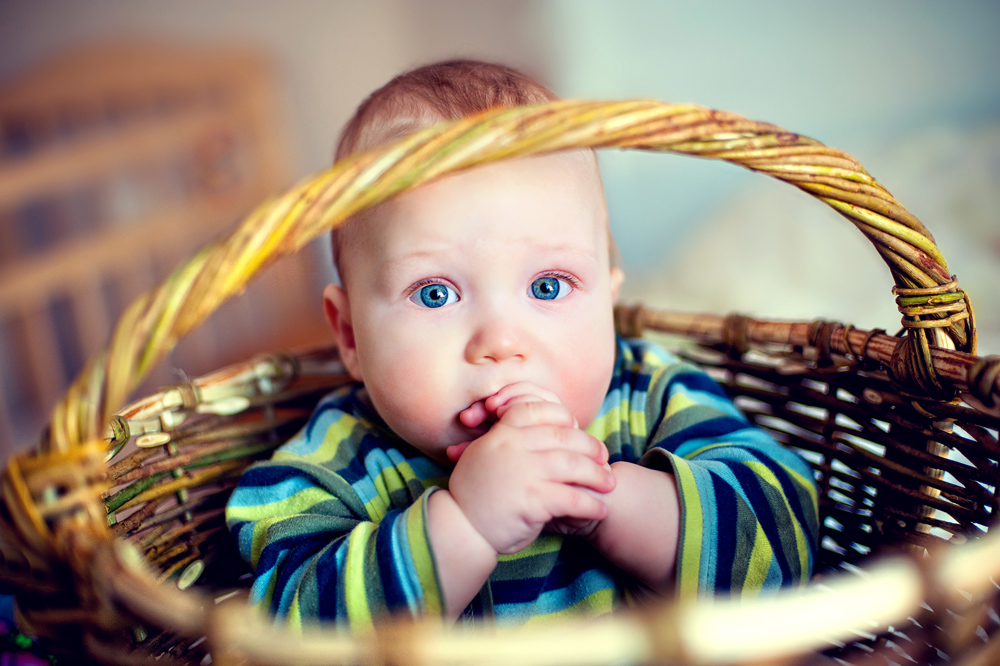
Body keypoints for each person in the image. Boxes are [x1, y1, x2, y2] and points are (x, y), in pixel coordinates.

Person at [226, 60, 819, 630]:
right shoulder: (325, 469)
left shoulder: (655, 397)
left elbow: (785, 542)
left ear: (608, 306)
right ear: (350, 335)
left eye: (548, 286)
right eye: (435, 294)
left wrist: (606, 501)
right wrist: (466, 527)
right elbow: (286, 634)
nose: (502, 342)